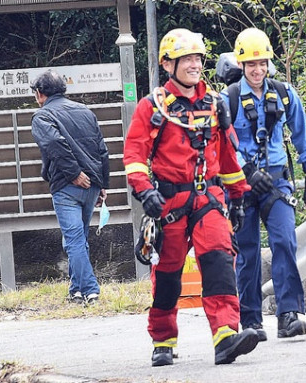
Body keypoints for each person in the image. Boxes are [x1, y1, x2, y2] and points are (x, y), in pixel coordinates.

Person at [123, 28, 259, 366]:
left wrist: (239, 195)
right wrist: (144, 189)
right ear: (169, 65)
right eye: (187, 59)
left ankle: (226, 334)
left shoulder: (215, 104)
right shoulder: (152, 107)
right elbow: (134, 154)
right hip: (167, 201)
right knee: (167, 275)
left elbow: (227, 157)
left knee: (218, 261)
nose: (195, 64)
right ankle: (163, 339)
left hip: (208, 197)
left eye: (198, 58)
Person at [220, 27, 306, 341]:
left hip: (277, 181)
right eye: (251, 65)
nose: (257, 70)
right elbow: (222, 143)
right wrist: (246, 170)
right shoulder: (229, 98)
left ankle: (288, 314)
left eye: (262, 63)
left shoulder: (284, 92)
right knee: (247, 251)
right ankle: (250, 320)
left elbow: (303, 132)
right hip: (241, 185)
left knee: (285, 242)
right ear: (241, 65)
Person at [30, 70, 109, 305]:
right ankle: (75, 290)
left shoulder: (42, 117)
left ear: (40, 94)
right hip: (92, 185)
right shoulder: (85, 111)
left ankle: (90, 290)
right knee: (78, 238)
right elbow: (102, 149)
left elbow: (53, 143)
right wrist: (102, 184)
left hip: (66, 186)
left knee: (74, 239)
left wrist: (74, 174)